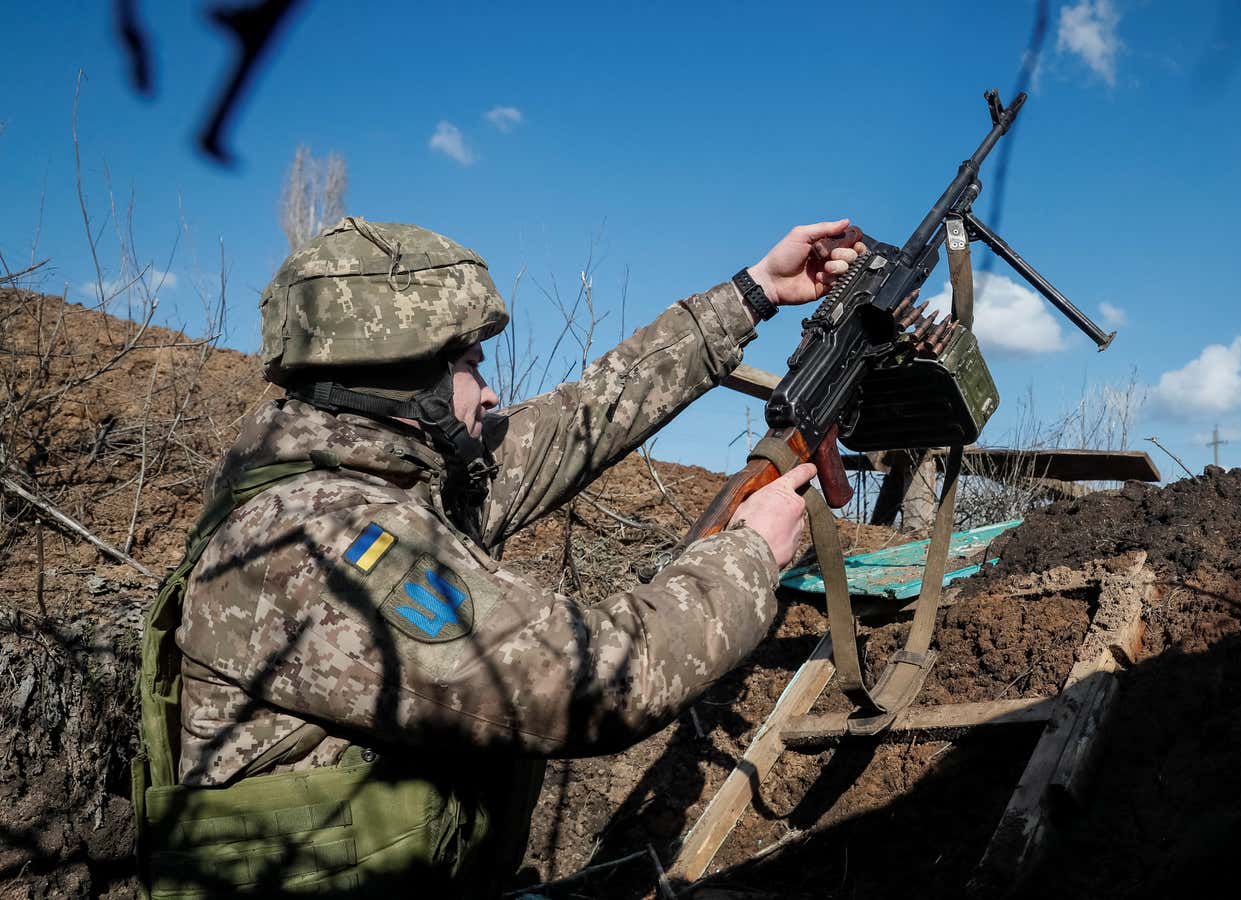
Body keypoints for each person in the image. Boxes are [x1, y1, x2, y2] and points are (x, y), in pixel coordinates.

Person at [135, 215, 865, 896]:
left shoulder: (389, 470)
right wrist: (747, 556)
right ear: (400, 373)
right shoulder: (316, 541)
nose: (489, 395)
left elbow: (590, 415)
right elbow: (590, 685)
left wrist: (756, 291)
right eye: (469, 365)